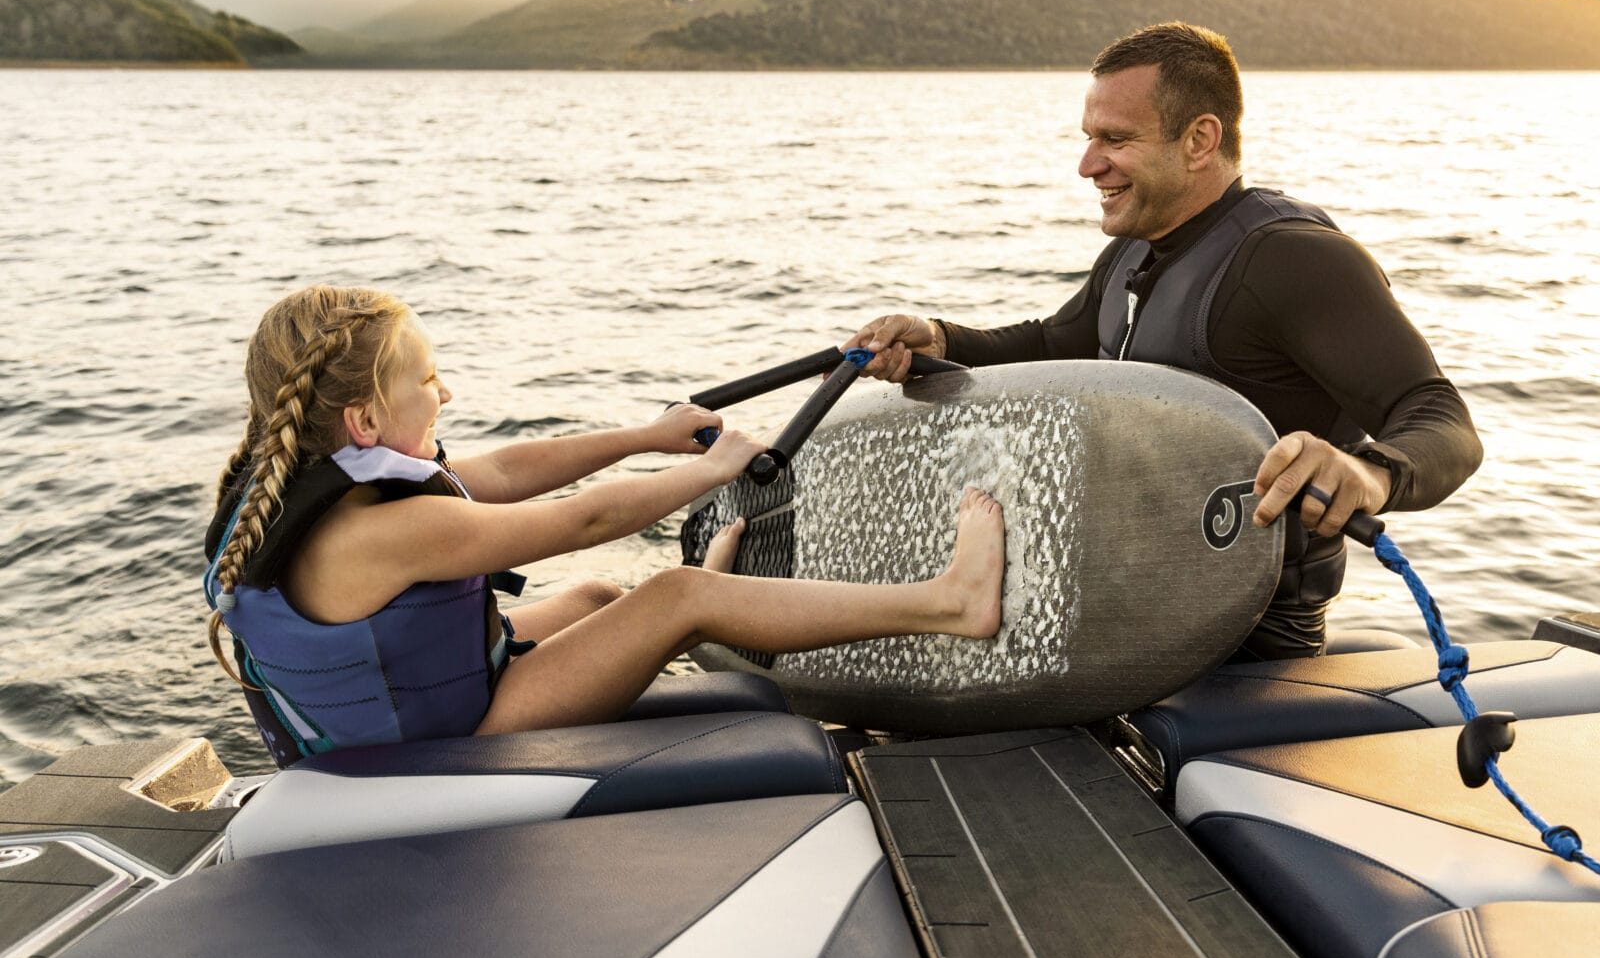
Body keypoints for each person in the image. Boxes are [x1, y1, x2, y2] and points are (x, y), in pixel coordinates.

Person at [847, 22, 1479, 659]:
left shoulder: (1295, 258)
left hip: (1249, 644)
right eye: (1090, 138)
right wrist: (939, 340)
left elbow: (1442, 418)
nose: (1088, 165)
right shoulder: (1136, 249)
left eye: (1116, 140)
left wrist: (1367, 473)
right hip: (1126, 610)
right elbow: (1058, 343)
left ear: (1200, 139)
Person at [204, 284, 1003, 765]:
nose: (445, 395)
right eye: (429, 379)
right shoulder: (386, 533)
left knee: (594, 598)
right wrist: (709, 469)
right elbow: (585, 517)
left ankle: (723, 611)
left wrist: (643, 436)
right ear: (366, 419)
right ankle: (951, 602)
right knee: (677, 594)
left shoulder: (298, 485)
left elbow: (506, 469)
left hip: (413, 708)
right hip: (445, 743)